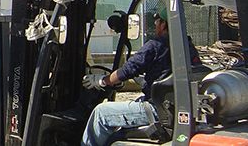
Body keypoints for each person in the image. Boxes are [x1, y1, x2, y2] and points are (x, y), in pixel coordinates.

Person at [81, 8, 201, 146]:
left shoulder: (156, 46)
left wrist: (102, 81)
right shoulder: (189, 47)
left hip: (158, 109)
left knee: (100, 114)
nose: (155, 25)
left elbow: (127, 71)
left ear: (163, 24)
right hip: (179, 108)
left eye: (156, 22)